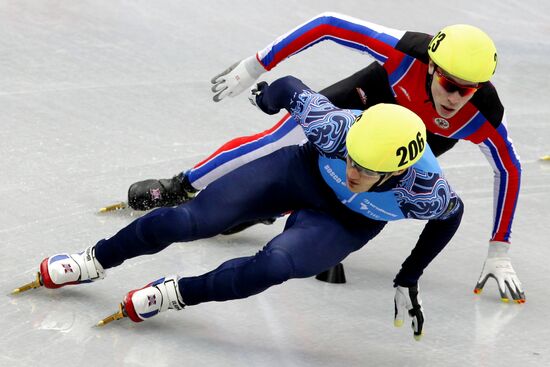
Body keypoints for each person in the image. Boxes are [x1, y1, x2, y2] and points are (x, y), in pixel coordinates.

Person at [15, 76, 464, 340]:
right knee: (188, 219)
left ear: (396, 175)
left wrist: (408, 277)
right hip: (300, 173)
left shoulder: (426, 192)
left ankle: (177, 293)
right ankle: (94, 260)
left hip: (346, 221)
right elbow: (289, 88)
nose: (352, 170)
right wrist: (264, 97)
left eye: (366, 170)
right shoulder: (335, 130)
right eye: (350, 157)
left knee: (274, 266)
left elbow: (450, 219)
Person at [127, 13, 525, 303]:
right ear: (432, 66)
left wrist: (499, 250)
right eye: (449, 84)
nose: (455, 98)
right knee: (281, 137)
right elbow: (329, 24)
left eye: (468, 90)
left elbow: (508, 168)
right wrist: (257, 65)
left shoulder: (482, 116)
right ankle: (183, 185)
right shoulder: (406, 51)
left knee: (372, 187)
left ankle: (298, 221)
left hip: (398, 151)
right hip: (366, 101)